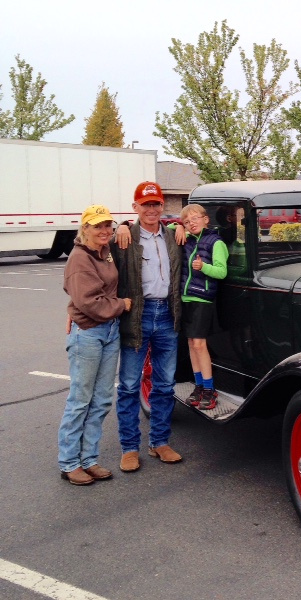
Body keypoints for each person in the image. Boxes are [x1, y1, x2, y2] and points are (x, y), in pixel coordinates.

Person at [110, 181, 183, 472]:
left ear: (162, 206)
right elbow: (94, 252)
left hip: (167, 315)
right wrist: (120, 226)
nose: (151, 209)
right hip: (136, 316)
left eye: (156, 204)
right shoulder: (124, 236)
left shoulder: (174, 236)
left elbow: (204, 229)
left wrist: (180, 224)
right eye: (145, 204)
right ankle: (129, 448)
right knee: (129, 385)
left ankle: (159, 443)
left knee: (165, 385)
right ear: (135, 207)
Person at [58, 205, 132, 485]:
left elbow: (156, 225)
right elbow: (89, 302)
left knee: (101, 400)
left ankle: (89, 459)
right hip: (88, 332)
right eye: (97, 225)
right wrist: (122, 304)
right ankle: (69, 462)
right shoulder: (79, 259)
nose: (104, 231)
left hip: (109, 332)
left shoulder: (105, 248)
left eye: (108, 225)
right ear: (84, 228)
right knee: (80, 400)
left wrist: (125, 224)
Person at [180, 204, 229, 409]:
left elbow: (221, 272)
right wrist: (178, 226)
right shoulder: (188, 239)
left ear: (205, 219)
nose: (191, 224)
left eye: (195, 219)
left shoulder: (216, 242)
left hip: (202, 299)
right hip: (187, 298)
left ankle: (209, 389)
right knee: (191, 344)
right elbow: (169, 228)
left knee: (200, 345)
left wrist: (203, 267)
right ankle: (199, 385)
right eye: (187, 222)